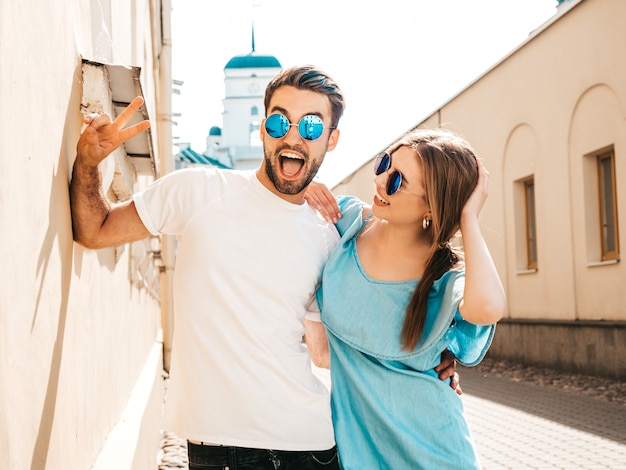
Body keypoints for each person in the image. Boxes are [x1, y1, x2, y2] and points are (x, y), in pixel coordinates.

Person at [70, 65, 459, 470]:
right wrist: (88, 164)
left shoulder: (328, 239)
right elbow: (95, 231)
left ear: (332, 139)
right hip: (216, 447)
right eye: (279, 121)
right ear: (262, 129)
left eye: (311, 126)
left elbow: (328, 351)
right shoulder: (195, 191)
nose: (293, 136)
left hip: (310, 447)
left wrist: (428, 358)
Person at [306, 128, 506, 469]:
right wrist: (304, 186)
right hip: (360, 452)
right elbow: (280, 213)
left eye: (398, 180)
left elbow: (487, 308)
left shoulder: (443, 278)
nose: (382, 181)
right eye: (385, 164)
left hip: (436, 453)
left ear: (432, 205)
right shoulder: (344, 223)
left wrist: (468, 217)